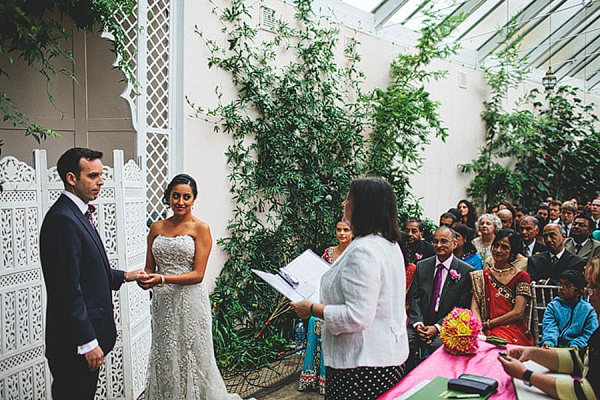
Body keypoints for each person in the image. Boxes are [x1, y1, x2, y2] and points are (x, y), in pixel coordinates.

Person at [39, 148, 148, 399]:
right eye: (93, 176)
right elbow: (67, 289)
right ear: (71, 178)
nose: (100, 182)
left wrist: (125, 276)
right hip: (74, 345)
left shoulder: (78, 213)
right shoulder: (63, 219)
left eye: (101, 175)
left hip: (86, 341)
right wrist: (87, 342)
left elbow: (86, 273)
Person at [291, 178, 408, 400]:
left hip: (361, 365)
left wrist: (313, 309)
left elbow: (357, 316)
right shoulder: (388, 244)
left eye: (349, 199)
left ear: (363, 206)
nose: (344, 204)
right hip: (383, 358)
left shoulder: (363, 250)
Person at [138, 174, 241, 399]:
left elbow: (198, 274)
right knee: (165, 352)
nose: (181, 202)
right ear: (168, 197)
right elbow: (149, 267)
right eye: (176, 196)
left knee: (192, 354)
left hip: (190, 301)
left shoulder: (200, 228)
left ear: (194, 199)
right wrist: (144, 278)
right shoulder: (156, 227)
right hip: (163, 303)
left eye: (186, 197)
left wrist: (162, 279)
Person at [498, 256, 600, 399]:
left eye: (593, 286)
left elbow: (588, 392)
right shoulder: (554, 306)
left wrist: (526, 375)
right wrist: (533, 352)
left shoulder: (586, 310)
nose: (588, 291)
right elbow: (581, 359)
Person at [299, 219, 352, 395]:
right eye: (339, 229)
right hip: (323, 300)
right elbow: (319, 277)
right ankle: (311, 376)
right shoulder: (328, 253)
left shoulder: (354, 253)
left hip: (344, 303)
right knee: (314, 320)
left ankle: (328, 379)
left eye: (346, 230)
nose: (342, 233)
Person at [406, 226, 474, 365]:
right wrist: (418, 323)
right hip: (421, 323)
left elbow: (461, 307)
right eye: (435, 241)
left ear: (454, 244)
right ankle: (406, 380)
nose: (438, 245)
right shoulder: (422, 266)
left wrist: (437, 327)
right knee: (403, 340)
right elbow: (415, 298)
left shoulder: (465, 271)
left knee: (438, 347)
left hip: (447, 326)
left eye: (444, 241)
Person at [471, 229, 533, 346]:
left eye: (505, 247)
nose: (498, 250)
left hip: (511, 329)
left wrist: (489, 324)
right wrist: (479, 330)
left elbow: (518, 312)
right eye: (496, 245)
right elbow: (475, 308)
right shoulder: (481, 276)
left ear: (513, 252)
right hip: (482, 327)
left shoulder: (521, 276)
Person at [540, 270, 598, 350]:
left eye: (567, 286)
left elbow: (589, 333)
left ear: (579, 292)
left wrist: (576, 345)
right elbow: (550, 327)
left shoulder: (588, 310)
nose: (561, 288)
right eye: (560, 284)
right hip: (555, 347)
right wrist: (549, 342)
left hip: (578, 349)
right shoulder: (553, 306)